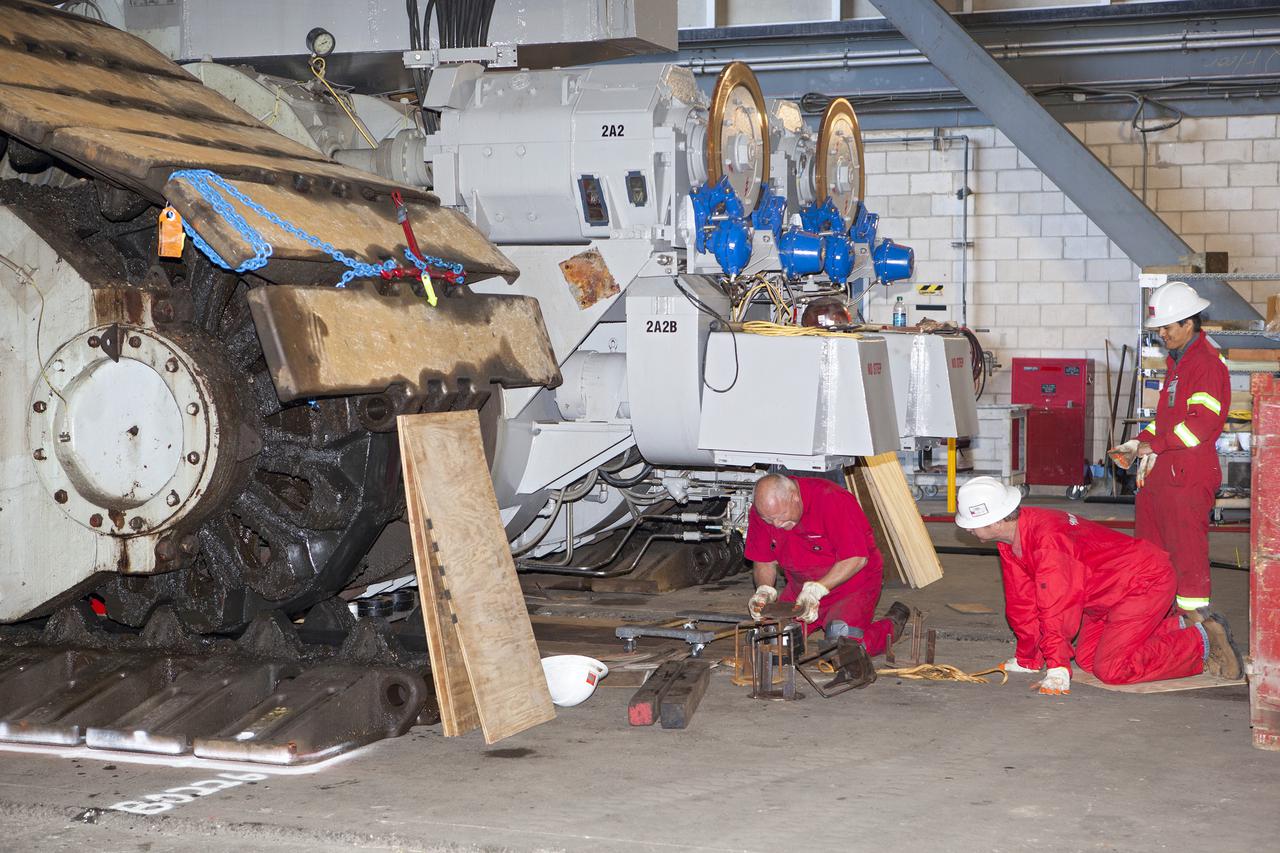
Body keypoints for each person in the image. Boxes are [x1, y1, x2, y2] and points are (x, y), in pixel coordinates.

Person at [954, 477, 1242, 695]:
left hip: (1143, 582)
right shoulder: (1013, 539)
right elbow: (1022, 603)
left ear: (996, 519)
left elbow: (1057, 606)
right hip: (1109, 594)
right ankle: (1176, 627)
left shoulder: (1047, 541)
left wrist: (1056, 666)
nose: (965, 528)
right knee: (1089, 659)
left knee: (1113, 669)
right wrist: (1029, 658)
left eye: (971, 522)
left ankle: (1201, 642)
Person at [1110, 280, 1229, 617]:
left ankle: (1195, 629)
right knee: (1152, 554)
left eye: (1166, 326)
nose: (1161, 333)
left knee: (1186, 556)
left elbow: (1201, 426)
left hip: (1187, 478)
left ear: (1187, 323)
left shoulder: (1205, 365)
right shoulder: (1179, 364)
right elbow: (1166, 420)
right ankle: (1159, 620)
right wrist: (1137, 443)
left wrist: (1155, 445)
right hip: (1165, 478)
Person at [744, 473, 908, 656]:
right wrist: (764, 590)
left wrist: (816, 590)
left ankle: (892, 624)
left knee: (842, 648)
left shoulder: (832, 499)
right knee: (774, 642)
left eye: (781, 515)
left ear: (795, 497)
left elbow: (856, 558)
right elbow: (763, 560)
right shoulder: (764, 512)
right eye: (769, 520)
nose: (777, 524)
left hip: (852, 585)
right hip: (801, 588)